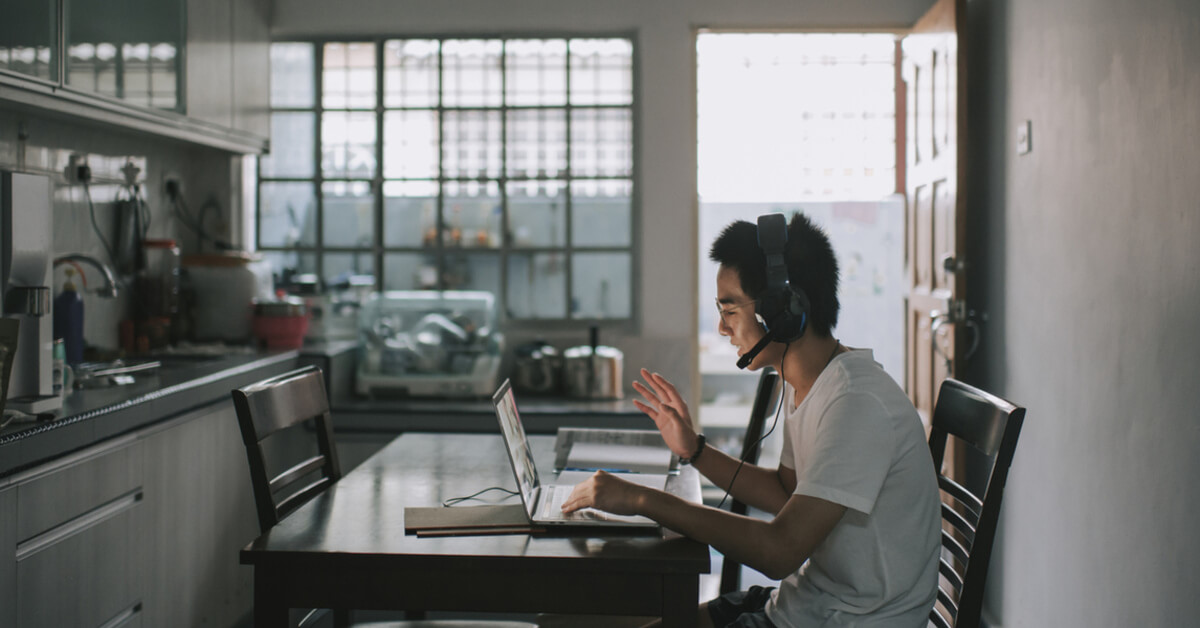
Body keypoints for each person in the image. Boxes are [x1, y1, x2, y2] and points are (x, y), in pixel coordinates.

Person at [562, 212, 941, 628]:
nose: (723, 328)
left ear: (783, 310)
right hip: (810, 604)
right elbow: (785, 492)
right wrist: (696, 451)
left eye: (730, 310)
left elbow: (778, 552)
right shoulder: (812, 383)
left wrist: (640, 500)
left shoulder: (856, 402)